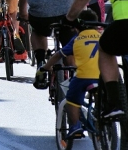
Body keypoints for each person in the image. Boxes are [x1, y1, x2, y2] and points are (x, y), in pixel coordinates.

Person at [34, 9, 102, 138]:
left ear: (77, 27)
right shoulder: (102, 37)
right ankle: (102, 115)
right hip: (102, 76)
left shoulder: (77, 39)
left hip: (84, 77)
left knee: (71, 100)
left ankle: (75, 126)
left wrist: (45, 68)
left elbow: (58, 55)